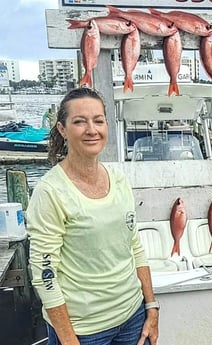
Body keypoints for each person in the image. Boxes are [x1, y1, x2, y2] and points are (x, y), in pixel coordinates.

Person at [26, 87, 159, 345]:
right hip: (83, 331)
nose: (91, 129)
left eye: (98, 120)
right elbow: (44, 271)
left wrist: (151, 306)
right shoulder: (50, 191)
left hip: (132, 318)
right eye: (79, 121)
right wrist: (68, 339)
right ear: (62, 129)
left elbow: (134, 248)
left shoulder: (119, 180)